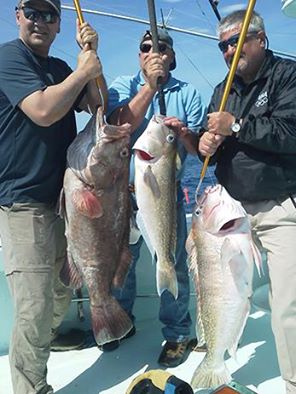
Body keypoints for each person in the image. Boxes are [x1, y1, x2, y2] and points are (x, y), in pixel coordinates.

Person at [0, 0, 107, 393]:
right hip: (22, 203)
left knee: (64, 286)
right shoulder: (8, 58)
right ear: (17, 15)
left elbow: (98, 106)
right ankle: (31, 386)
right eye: (33, 12)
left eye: (49, 15)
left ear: (61, 24)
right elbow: (43, 110)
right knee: (33, 305)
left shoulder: (62, 68)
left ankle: (47, 338)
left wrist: (93, 60)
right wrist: (81, 72)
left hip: (64, 202)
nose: (40, 22)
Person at [198, 9, 296, 394]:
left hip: (278, 209)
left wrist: (236, 125)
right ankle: (217, 358)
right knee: (220, 295)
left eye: (234, 42)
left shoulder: (288, 76)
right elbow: (215, 143)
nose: (227, 51)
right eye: (222, 45)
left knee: (288, 304)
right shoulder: (223, 90)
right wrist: (205, 143)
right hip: (229, 214)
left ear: (260, 39)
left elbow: (291, 134)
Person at [106, 27, 206, 367]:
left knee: (172, 262)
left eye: (161, 48)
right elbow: (118, 125)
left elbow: (196, 151)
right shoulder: (124, 86)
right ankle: (121, 323)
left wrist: (184, 133)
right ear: (139, 55)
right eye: (146, 47)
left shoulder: (189, 93)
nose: (153, 52)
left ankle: (179, 333)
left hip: (165, 196)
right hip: (122, 196)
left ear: (172, 56)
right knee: (121, 264)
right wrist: (150, 86)